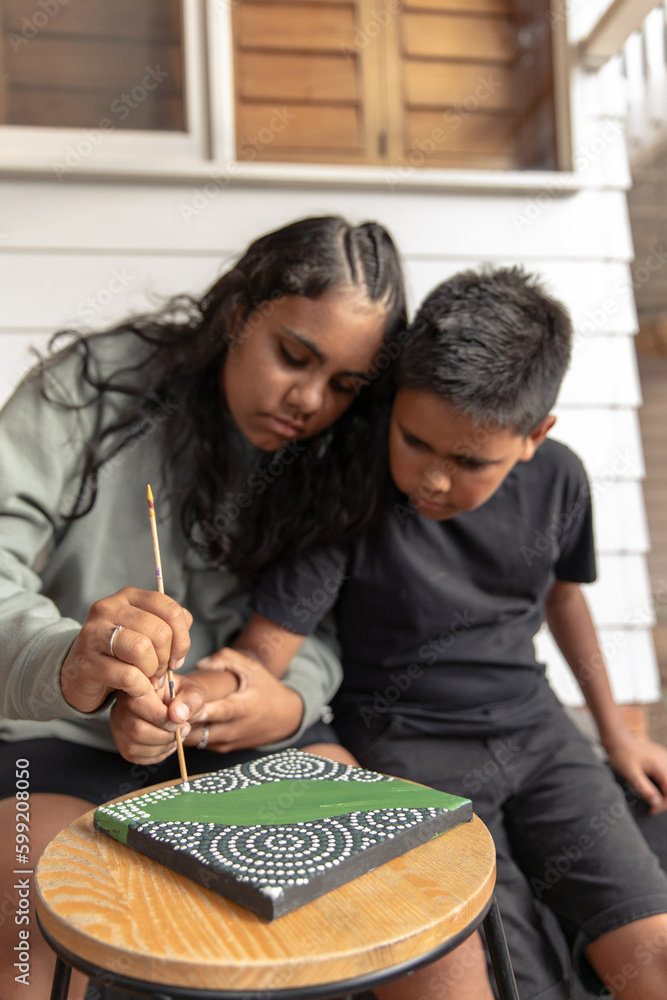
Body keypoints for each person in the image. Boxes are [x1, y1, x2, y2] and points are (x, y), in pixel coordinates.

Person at [0, 215, 415, 1000]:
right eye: (293, 355)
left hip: (230, 740)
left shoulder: (335, 454)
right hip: (51, 736)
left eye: (344, 387)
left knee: (357, 828)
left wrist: (275, 699)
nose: (308, 401)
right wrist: (72, 662)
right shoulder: (91, 391)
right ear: (236, 314)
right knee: (34, 883)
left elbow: (319, 629)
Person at [232, 266, 667, 999]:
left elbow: (564, 602)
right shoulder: (348, 485)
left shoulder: (561, 479)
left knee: (649, 946)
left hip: (535, 733)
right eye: (415, 442)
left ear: (534, 437)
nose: (432, 479)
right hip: (408, 751)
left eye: (467, 462)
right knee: (502, 968)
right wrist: (226, 687)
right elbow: (264, 651)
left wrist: (615, 734)